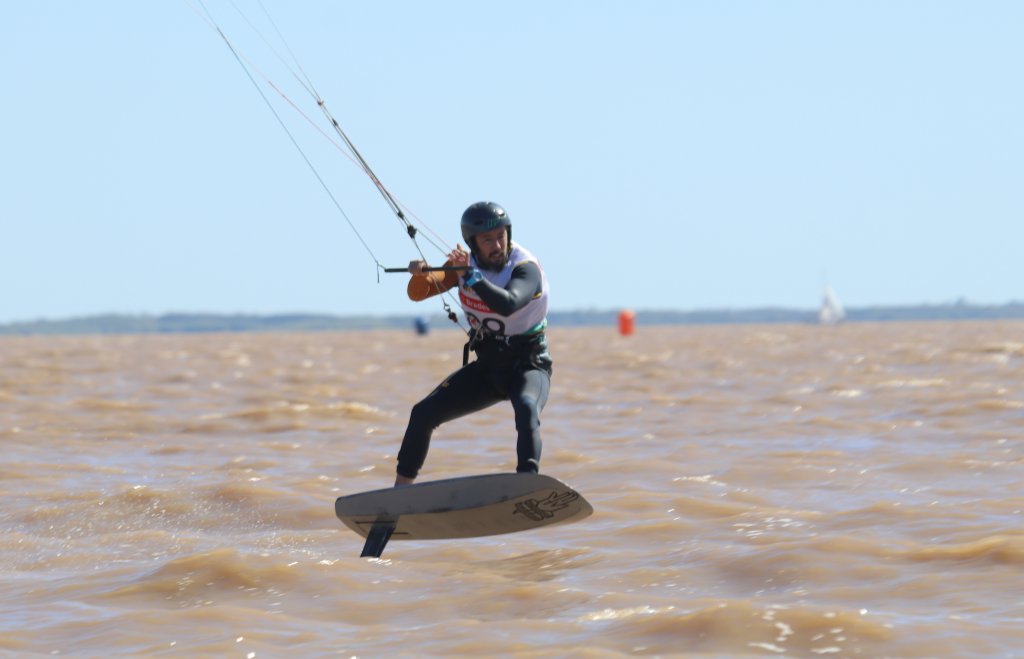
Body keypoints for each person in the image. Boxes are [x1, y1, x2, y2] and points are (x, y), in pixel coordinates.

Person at [394, 201, 552, 486]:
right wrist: (420, 274)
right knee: (423, 414)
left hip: (529, 365)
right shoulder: (464, 267)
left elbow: (509, 304)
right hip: (489, 369)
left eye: (501, 236)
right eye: (487, 240)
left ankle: (527, 486)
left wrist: (470, 275)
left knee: (527, 408)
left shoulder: (525, 268)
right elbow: (419, 293)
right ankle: (398, 496)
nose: (497, 245)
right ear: (473, 244)